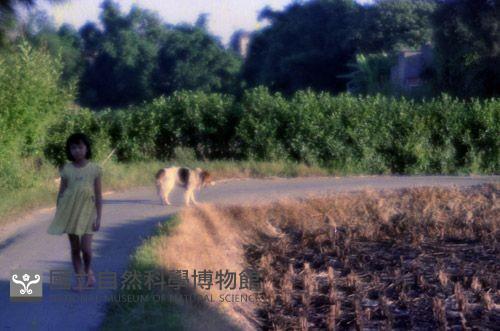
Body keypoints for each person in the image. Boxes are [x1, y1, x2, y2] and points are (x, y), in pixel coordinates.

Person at [47, 133, 103, 291]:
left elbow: (98, 195)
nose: (77, 150)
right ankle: (79, 281)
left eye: (80, 147)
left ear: (86, 148)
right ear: (69, 150)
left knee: (86, 250)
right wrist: (60, 214)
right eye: (73, 147)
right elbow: (61, 193)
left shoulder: (95, 169)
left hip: (88, 213)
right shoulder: (66, 169)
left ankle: (87, 270)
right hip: (69, 213)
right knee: (75, 248)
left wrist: (99, 217)